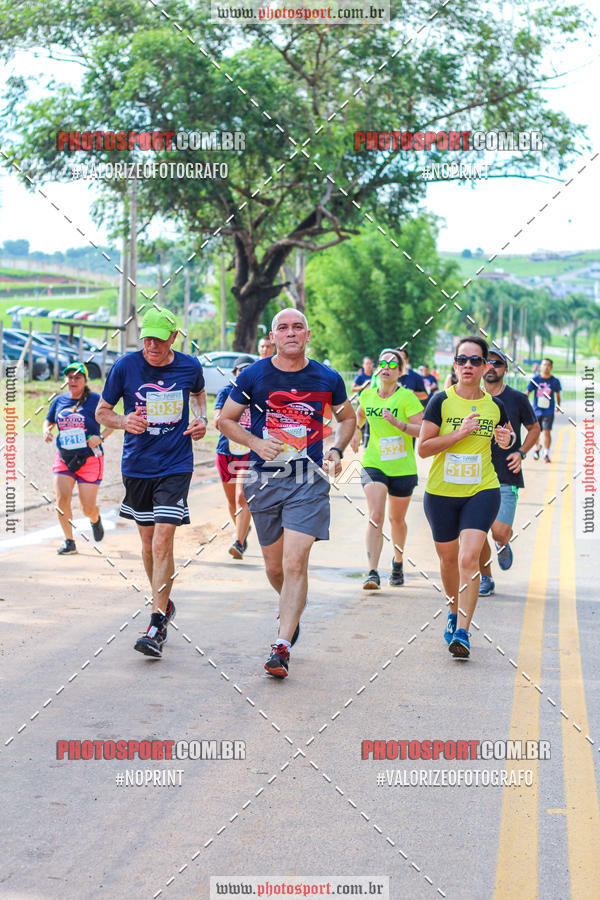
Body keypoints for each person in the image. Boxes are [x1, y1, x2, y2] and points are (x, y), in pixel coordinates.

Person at [218, 308, 356, 679]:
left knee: (296, 562)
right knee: (276, 567)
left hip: (307, 479)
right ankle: (290, 612)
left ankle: (281, 646)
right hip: (264, 480)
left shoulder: (327, 377)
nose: (291, 333)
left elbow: (347, 419)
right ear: (274, 337)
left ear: (308, 335)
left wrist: (336, 449)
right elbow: (225, 420)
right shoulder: (254, 375)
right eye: (283, 328)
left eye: (298, 327)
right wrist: (254, 442)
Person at [95, 306, 207, 659]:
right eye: (146, 338)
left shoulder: (190, 367)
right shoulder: (125, 367)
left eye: (159, 339)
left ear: (174, 337)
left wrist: (201, 419)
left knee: (162, 540)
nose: (152, 345)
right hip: (138, 466)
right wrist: (123, 421)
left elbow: (199, 396)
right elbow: (102, 412)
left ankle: (156, 623)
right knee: (147, 542)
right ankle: (165, 603)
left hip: (175, 464)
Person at [418, 336, 512, 659]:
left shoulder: (494, 406)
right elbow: (424, 448)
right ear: (454, 365)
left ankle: (462, 630)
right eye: (462, 360)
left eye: (475, 360)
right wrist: (460, 433)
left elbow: (507, 434)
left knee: (468, 558)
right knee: (448, 562)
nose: (468, 366)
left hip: (481, 491)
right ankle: (453, 608)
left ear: (486, 366)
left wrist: (505, 438)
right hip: (441, 494)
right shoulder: (440, 402)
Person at [351, 348, 423, 589]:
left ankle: (398, 561)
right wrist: (355, 430)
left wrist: (398, 423)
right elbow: (359, 416)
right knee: (376, 516)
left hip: (403, 467)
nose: (385, 367)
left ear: (400, 372)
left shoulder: (407, 398)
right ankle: (372, 572)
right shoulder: (368, 395)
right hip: (374, 463)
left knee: (396, 520)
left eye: (393, 365)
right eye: (383, 363)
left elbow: (421, 430)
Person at [478, 349, 540, 595]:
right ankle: (485, 577)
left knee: (499, 531)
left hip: (506, 474)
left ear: (505, 369)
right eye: (488, 362)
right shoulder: (470, 397)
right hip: (474, 475)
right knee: (477, 530)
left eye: (498, 363)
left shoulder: (517, 399)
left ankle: (503, 543)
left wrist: (522, 452)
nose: (492, 366)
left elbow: (534, 428)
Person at [43, 362, 112, 555]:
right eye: (70, 377)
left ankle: (95, 518)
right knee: (62, 500)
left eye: (77, 377)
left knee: (87, 507)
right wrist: (46, 431)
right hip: (64, 457)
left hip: (90, 459)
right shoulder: (59, 400)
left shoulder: (96, 400)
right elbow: (48, 421)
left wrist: (100, 437)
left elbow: (112, 423)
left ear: (85, 380)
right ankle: (69, 541)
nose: (73, 381)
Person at [214, 355, 255, 559]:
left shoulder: (258, 395)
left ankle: (238, 542)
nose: (245, 374)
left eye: (249, 370)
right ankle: (242, 531)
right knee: (232, 501)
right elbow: (217, 420)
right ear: (235, 373)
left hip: (250, 452)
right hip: (226, 452)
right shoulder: (226, 392)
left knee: (242, 496)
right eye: (241, 371)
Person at [527, 358, 562, 463]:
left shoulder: (554, 381)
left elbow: (557, 395)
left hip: (549, 410)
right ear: (541, 366)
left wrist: (558, 406)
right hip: (536, 410)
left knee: (547, 432)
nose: (546, 367)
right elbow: (527, 393)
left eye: (548, 365)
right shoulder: (535, 379)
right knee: (536, 432)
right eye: (544, 364)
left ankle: (546, 453)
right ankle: (537, 448)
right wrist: (524, 406)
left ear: (551, 367)